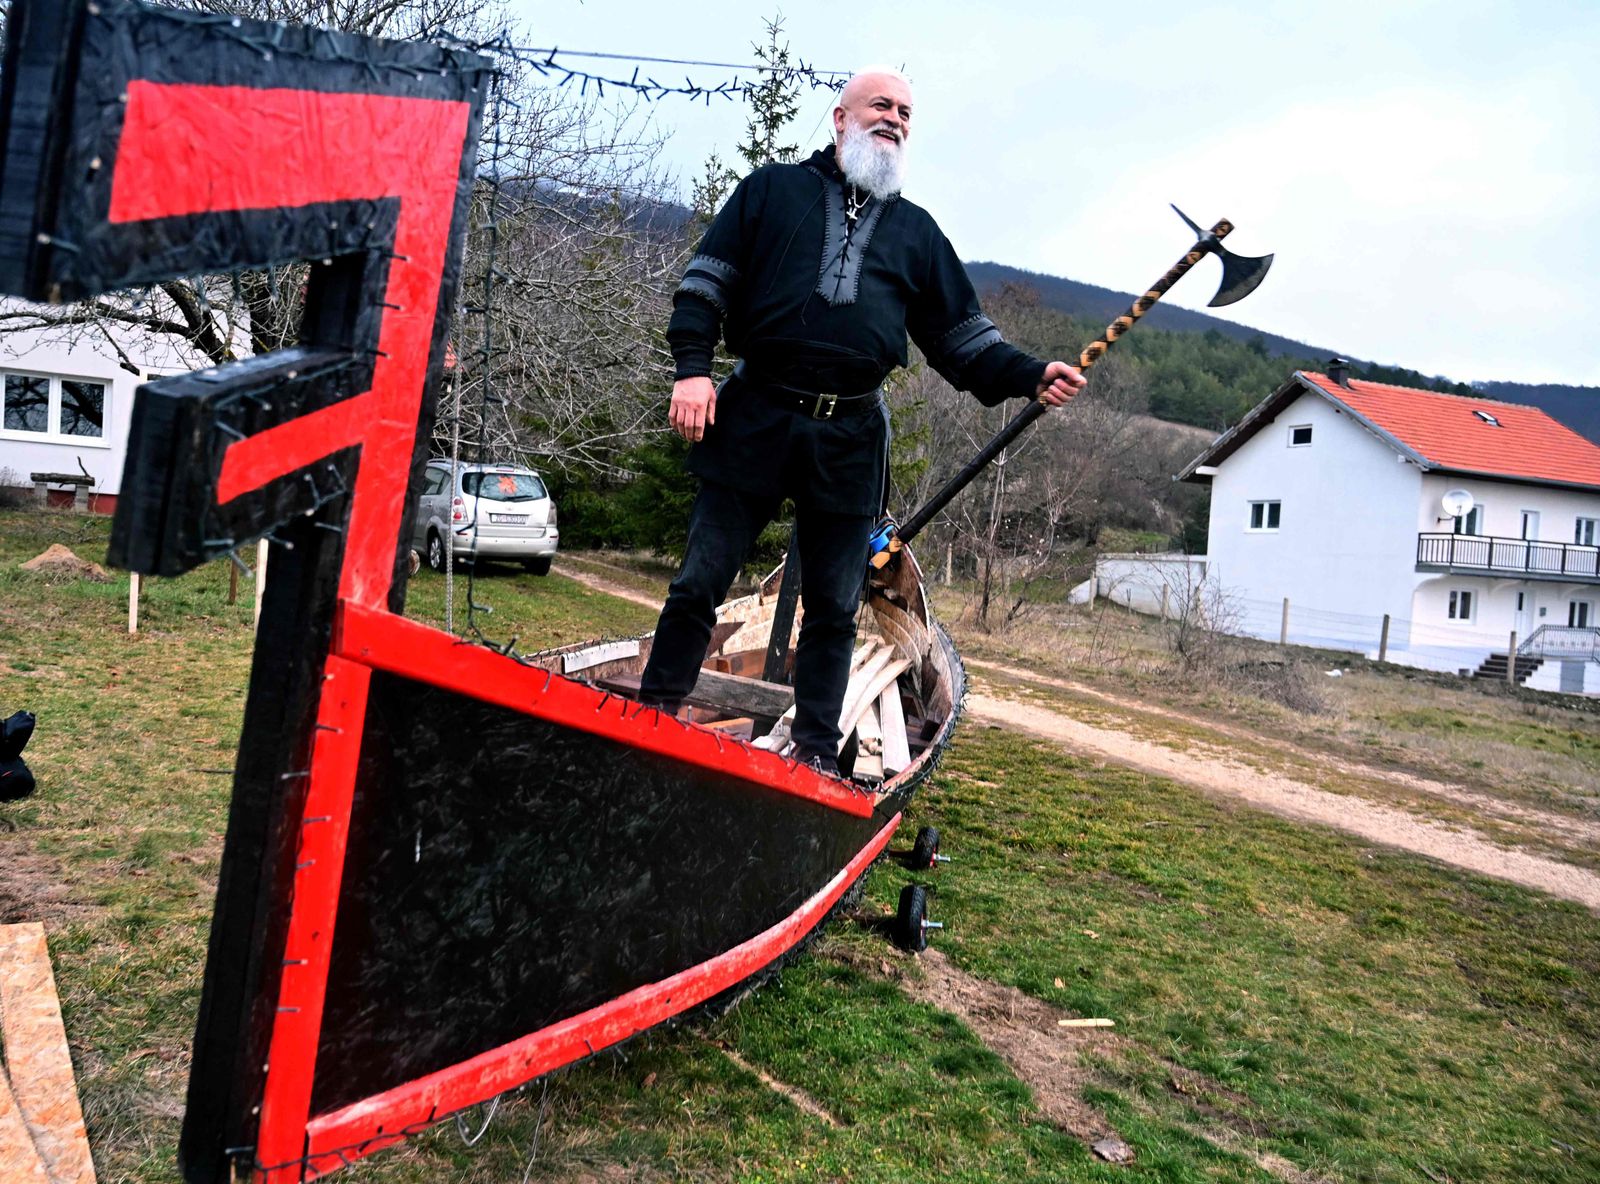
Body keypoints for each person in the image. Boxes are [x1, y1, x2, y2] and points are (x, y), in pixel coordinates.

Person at [638, 67, 1086, 775]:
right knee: (700, 581)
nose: (895, 119)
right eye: (882, 105)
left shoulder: (916, 233)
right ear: (840, 117)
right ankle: (651, 715)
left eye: (907, 112)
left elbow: (966, 343)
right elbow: (704, 285)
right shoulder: (769, 192)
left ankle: (813, 754)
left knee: (833, 607)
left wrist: (1033, 374)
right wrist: (692, 369)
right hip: (756, 413)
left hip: (849, 437)